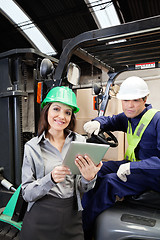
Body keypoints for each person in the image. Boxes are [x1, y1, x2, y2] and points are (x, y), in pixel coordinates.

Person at [82, 76, 160, 239]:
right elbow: (110, 121)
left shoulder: (157, 120)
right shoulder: (128, 118)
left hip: (153, 174)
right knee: (99, 169)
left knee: (110, 182)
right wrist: (98, 123)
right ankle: (84, 211)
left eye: (135, 100)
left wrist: (133, 167)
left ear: (145, 99)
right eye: (125, 100)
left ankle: (85, 230)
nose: (129, 105)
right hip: (135, 166)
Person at [20, 86, 102, 240]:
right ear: (47, 111)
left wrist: (89, 178)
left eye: (67, 112)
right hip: (40, 218)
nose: (61, 116)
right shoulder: (32, 147)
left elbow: (83, 188)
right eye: (56, 109)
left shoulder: (80, 142)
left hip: (71, 217)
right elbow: (27, 193)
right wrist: (49, 179)